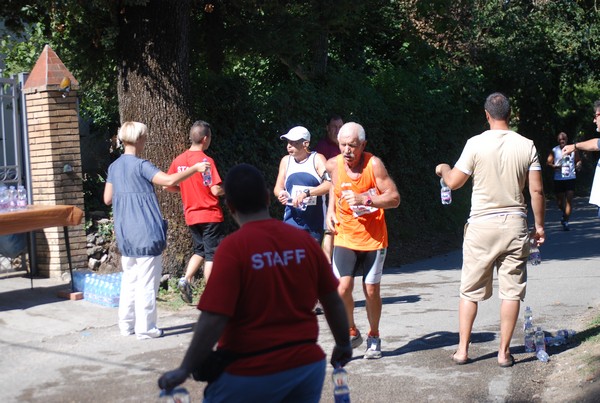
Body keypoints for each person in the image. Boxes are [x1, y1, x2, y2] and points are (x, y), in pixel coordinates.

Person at [158, 163, 352, 402]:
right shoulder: (304, 243)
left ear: (229, 206)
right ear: (267, 198)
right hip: (306, 366)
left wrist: (184, 369)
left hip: (249, 371)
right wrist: (343, 343)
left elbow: (213, 318)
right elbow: (332, 299)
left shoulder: (232, 249)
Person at [435, 92, 546, 367]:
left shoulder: (475, 144)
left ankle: (462, 350)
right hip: (514, 224)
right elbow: (537, 190)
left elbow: (454, 182)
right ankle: (504, 353)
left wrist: (443, 168)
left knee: (469, 290)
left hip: (481, 226)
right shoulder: (527, 145)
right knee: (511, 291)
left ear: (486, 115)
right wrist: (540, 225)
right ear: (510, 114)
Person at [103, 121, 207, 339]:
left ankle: (126, 325)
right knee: (147, 284)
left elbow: (107, 199)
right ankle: (146, 328)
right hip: (145, 232)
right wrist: (195, 169)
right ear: (140, 139)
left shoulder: (114, 167)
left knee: (130, 281)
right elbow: (168, 180)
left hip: (125, 233)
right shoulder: (142, 165)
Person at [325, 122, 401, 360]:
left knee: (371, 290)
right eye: (343, 145)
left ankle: (374, 336)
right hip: (346, 235)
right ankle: (351, 330)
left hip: (374, 239)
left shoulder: (374, 164)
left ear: (363, 145)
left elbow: (395, 198)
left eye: (353, 145)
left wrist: (365, 200)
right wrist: (330, 211)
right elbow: (332, 187)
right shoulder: (333, 164)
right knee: (342, 288)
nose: (347, 150)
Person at [166, 120, 225, 303]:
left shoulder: (179, 160)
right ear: (205, 139)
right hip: (210, 214)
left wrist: (183, 190)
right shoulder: (206, 161)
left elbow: (168, 186)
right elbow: (215, 189)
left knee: (199, 250)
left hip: (191, 215)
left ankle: (186, 279)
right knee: (211, 255)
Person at [274, 126, 330, 244]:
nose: (289, 146)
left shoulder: (317, 159)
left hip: (314, 223)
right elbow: (278, 187)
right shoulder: (286, 161)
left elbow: (329, 184)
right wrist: (281, 193)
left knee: (308, 260)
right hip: (291, 220)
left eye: (294, 142)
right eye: (288, 142)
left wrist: (307, 193)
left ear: (305, 144)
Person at [316, 114, 344, 262]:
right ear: (327, 128)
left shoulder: (346, 146)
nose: (337, 130)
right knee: (329, 231)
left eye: (340, 127)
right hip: (329, 198)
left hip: (347, 197)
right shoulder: (322, 148)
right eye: (334, 127)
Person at [546, 132, 581, 231]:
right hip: (558, 178)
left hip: (570, 177)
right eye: (560, 139)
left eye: (564, 139)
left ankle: (566, 221)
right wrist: (554, 166)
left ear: (567, 139)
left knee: (569, 200)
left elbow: (578, 160)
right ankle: (564, 214)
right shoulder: (555, 150)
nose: (562, 140)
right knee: (560, 203)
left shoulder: (573, 149)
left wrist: (578, 164)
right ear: (558, 140)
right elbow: (548, 162)